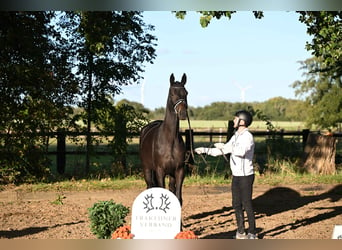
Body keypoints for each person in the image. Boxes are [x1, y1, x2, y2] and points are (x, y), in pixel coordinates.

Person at [195, 110, 257, 239]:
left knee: (246, 203)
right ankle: (241, 232)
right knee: (236, 203)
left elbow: (240, 151)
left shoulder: (247, 136)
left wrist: (224, 147)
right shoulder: (235, 136)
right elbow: (221, 151)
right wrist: (205, 150)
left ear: (242, 121)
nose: (233, 121)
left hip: (246, 176)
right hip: (236, 175)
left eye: (235, 119)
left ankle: (252, 233)